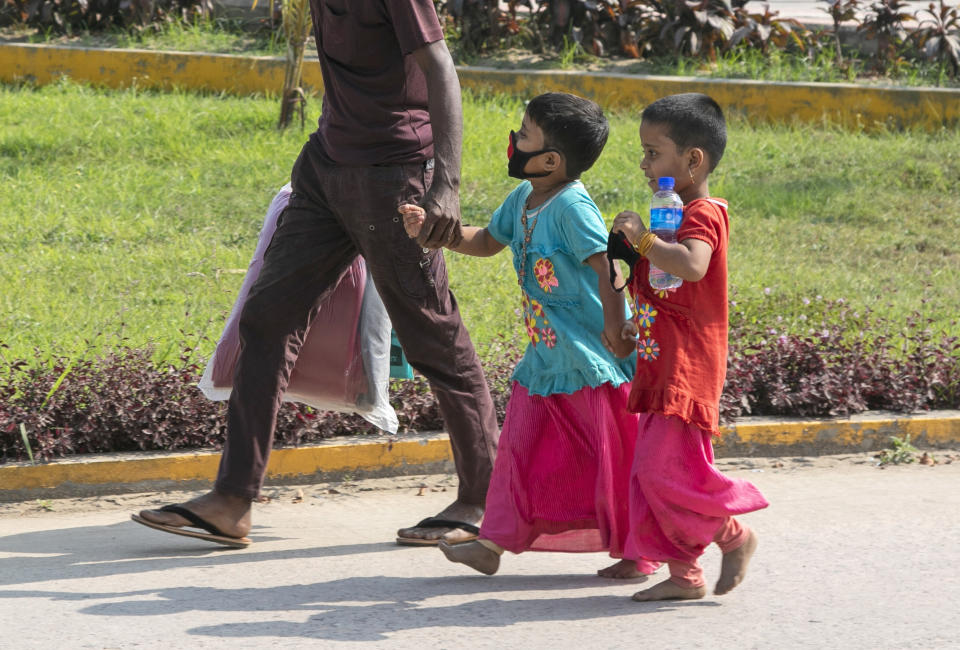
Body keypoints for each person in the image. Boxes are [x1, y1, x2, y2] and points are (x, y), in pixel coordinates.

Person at [132, 0, 499, 548]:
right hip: (326, 169)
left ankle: (484, 499)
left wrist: (445, 182)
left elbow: (440, 66)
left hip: (394, 177)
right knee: (267, 319)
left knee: (435, 340)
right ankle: (233, 500)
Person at [401, 92, 658, 579]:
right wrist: (436, 233)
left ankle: (635, 551)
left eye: (523, 136)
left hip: (587, 360)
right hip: (543, 358)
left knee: (609, 459)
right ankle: (493, 543)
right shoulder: (521, 199)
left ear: (551, 160)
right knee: (517, 451)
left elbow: (607, 269)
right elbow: (486, 241)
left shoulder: (572, 208)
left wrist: (615, 330)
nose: (513, 142)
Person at [608, 93, 769, 600]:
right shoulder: (670, 213)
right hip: (659, 363)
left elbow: (692, 266)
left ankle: (732, 533)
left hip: (687, 367)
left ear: (692, 160)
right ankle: (685, 576)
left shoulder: (704, 213)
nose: (643, 163)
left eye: (653, 153)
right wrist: (633, 315)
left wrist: (644, 241)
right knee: (654, 472)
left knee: (666, 472)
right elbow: (664, 282)